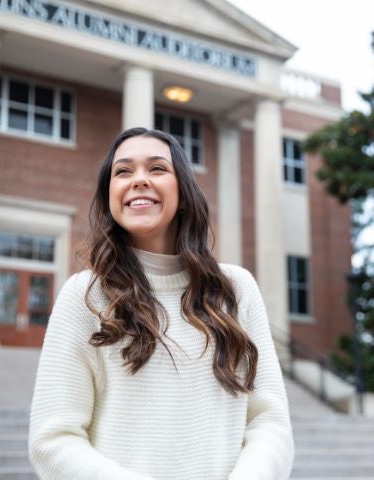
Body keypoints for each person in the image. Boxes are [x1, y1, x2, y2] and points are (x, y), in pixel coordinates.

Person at [28, 127, 294, 480]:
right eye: (123, 171)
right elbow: (53, 440)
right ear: (110, 195)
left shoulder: (235, 290)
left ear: (183, 193)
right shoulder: (86, 297)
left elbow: (268, 420)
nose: (138, 180)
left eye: (156, 169)